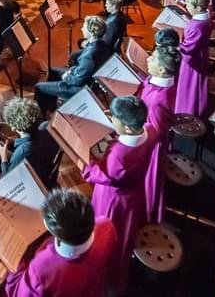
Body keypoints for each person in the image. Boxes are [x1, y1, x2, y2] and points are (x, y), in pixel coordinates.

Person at [81, 95, 156, 292]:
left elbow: (103, 175)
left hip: (113, 201)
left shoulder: (119, 157)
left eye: (114, 117)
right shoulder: (149, 130)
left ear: (129, 127)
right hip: (133, 194)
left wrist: (84, 161)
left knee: (109, 236)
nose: (111, 119)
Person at [4, 188, 118, 297]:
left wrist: (16, 267)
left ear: (56, 235)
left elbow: (20, 294)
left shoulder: (41, 268)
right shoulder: (107, 226)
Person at [136, 45, 180, 223]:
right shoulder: (162, 82)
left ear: (162, 69)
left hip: (150, 150)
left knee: (147, 184)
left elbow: (152, 132)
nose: (147, 58)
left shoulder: (157, 102)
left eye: (152, 58)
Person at [34, 15, 111, 113]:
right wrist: (73, 70)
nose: (82, 29)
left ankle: (41, 115)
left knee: (38, 87)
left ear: (91, 33)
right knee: (53, 70)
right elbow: (84, 70)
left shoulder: (88, 55)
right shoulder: (103, 45)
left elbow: (78, 80)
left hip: (80, 88)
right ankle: (51, 104)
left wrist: (67, 76)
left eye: (84, 27)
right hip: (88, 80)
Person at [0, 97, 60, 186]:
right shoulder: (46, 126)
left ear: (14, 128)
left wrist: (4, 157)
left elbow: (8, 180)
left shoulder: (22, 151)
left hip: (34, 181)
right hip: (45, 164)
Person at [175, 0, 212, 116]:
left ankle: (187, 111)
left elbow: (188, 49)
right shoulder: (203, 19)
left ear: (197, 8)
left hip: (192, 62)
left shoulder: (197, 26)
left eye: (189, 5)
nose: (186, 6)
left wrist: (175, 45)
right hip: (200, 56)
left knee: (190, 87)